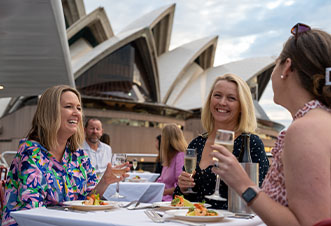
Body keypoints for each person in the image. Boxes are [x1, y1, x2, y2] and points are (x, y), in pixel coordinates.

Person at [211, 23, 331, 225]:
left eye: (276, 64)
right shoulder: (319, 120)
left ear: (287, 67)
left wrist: (243, 184)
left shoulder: (305, 129)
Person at [1, 85, 129, 226]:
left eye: (79, 108)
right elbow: (32, 213)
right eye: (69, 106)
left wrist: (104, 182)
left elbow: (88, 200)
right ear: (50, 112)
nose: (76, 113)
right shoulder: (31, 153)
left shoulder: (79, 155)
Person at [174, 73, 270, 209]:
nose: (222, 102)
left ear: (242, 106)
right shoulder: (196, 144)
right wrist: (183, 188)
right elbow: (180, 200)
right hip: (195, 220)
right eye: (217, 95)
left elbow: (261, 195)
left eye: (231, 98)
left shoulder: (250, 143)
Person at [156, 124, 187, 201]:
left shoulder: (180, 155)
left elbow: (181, 186)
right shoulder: (169, 157)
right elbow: (162, 180)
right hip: (161, 197)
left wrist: (162, 192)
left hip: (171, 200)